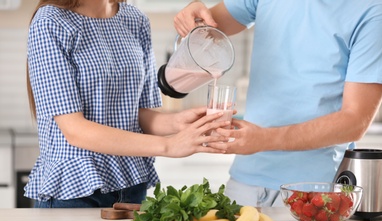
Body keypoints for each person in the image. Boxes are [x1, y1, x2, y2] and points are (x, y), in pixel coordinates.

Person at [174, 0, 382, 207]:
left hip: (315, 190)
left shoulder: (376, 11)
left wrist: (264, 139)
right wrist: (194, 16)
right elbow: (206, 31)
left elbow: (355, 121)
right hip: (244, 183)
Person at [25, 0, 231, 208]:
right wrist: (170, 145)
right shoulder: (51, 22)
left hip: (131, 187)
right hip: (75, 191)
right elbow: (75, 130)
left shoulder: (135, 20)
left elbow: (138, 114)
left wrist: (179, 123)